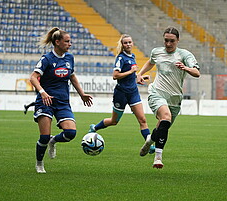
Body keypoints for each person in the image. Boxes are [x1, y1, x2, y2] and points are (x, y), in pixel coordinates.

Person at [30, 27, 93, 173]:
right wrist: (43, 92)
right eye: (67, 41)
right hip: (45, 101)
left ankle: (54, 140)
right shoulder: (46, 59)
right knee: (44, 136)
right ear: (57, 42)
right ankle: (39, 163)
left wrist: (82, 94)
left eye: (70, 41)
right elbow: (33, 77)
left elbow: (72, 77)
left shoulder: (69, 58)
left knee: (71, 133)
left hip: (63, 102)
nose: (70, 44)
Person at [137, 27, 200, 169]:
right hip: (157, 92)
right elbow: (151, 62)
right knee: (165, 117)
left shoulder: (185, 55)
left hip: (175, 98)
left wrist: (186, 68)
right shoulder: (157, 52)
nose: (168, 44)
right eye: (166, 40)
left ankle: (149, 140)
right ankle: (158, 158)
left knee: (162, 127)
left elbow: (197, 73)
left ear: (178, 41)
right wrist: (139, 74)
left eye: (172, 41)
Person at [88, 34, 155, 154]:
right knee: (114, 121)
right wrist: (131, 71)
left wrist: (138, 76)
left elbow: (130, 75)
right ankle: (95, 127)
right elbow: (115, 76)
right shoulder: (120, 58)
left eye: (130, 42)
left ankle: (148, 145)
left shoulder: (132, 56)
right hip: (121, 94)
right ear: (122, 45)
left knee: (142, 120)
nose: (128, 44)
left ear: (132, 43)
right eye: (126, 43)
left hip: (133, 92)